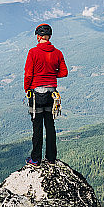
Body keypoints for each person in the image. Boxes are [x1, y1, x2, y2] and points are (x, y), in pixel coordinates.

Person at [23, 23, 68, 166]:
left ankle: (35, 159)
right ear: (49, 37)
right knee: (50, 126)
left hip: (36, 94)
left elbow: (28, 74)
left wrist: (27, 89)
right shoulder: (58, 53)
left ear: (38, 37)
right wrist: (51, 73)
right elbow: (64, 72)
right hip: (52, 94)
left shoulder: (33, 52)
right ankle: (51, 158)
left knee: (37, 127)